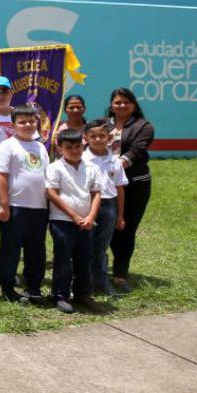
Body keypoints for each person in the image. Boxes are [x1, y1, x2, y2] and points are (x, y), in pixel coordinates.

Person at [45, 130, 106, 314]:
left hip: (86, 223)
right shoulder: (55, 168)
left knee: (85, 258)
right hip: (63, 221)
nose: (74, 150)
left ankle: (82, 294)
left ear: (83, 145)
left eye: (77, 146)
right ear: (59, 148)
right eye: (69, 147)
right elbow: (52, 193)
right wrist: (74, 216)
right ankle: (60, 295)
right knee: (63, 259)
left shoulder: (92, 167)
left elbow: (96, 194)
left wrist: (90, 218)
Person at [0, 106, 50, 303]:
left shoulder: (41, 147)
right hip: (15, 207)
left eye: (31, 121)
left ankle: (33, 287)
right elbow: (1, 176)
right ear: (13, 125)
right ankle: (8, 288)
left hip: (39, 208)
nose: (27, 125)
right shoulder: (7, 146)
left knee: (36, 250)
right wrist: (4, 204)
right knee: (11, 249)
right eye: (22, 122)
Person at [105, 88, 155, 293]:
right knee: (104, 227)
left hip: (134, 183)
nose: (122, 106)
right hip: (104, 185)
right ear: (111, 105)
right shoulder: (103, 123)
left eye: (126, 102)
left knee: (126, 227)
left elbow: (137, 150)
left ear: (134, 104)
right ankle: (98, 270)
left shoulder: (144, 126)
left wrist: (115, 166)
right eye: (117, 102)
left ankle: (119, 274)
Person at [83, 118, 128, 298]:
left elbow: (120, 189)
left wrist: (120, 215)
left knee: (101, 246)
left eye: (102, 135)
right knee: (84, 244)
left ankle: (101, 280)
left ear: (109, 138)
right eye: (93, 136)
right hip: (87, 206)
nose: (98, 139)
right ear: (85, 138)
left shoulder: (115, 161)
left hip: (109, 207)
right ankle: (83, 280)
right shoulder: (82, 159)